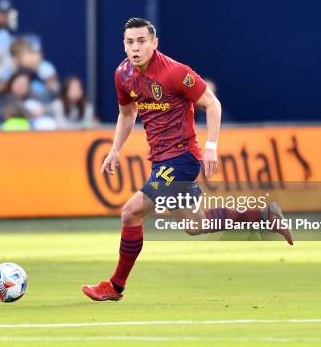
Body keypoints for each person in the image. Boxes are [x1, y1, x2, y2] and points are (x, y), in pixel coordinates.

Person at [81, 18, 293, 302]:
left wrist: (211, 147)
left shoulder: (175, 72)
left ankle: (115, 286)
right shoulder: (122, 74)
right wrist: (115, 149)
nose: (135, 48)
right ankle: (264, 215)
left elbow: (212, 103)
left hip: (182, 158)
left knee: (130, 212)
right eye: (130, 42)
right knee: (195, 224)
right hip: (161, 160)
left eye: (142, 41)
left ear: (154, 43)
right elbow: (127, 114)